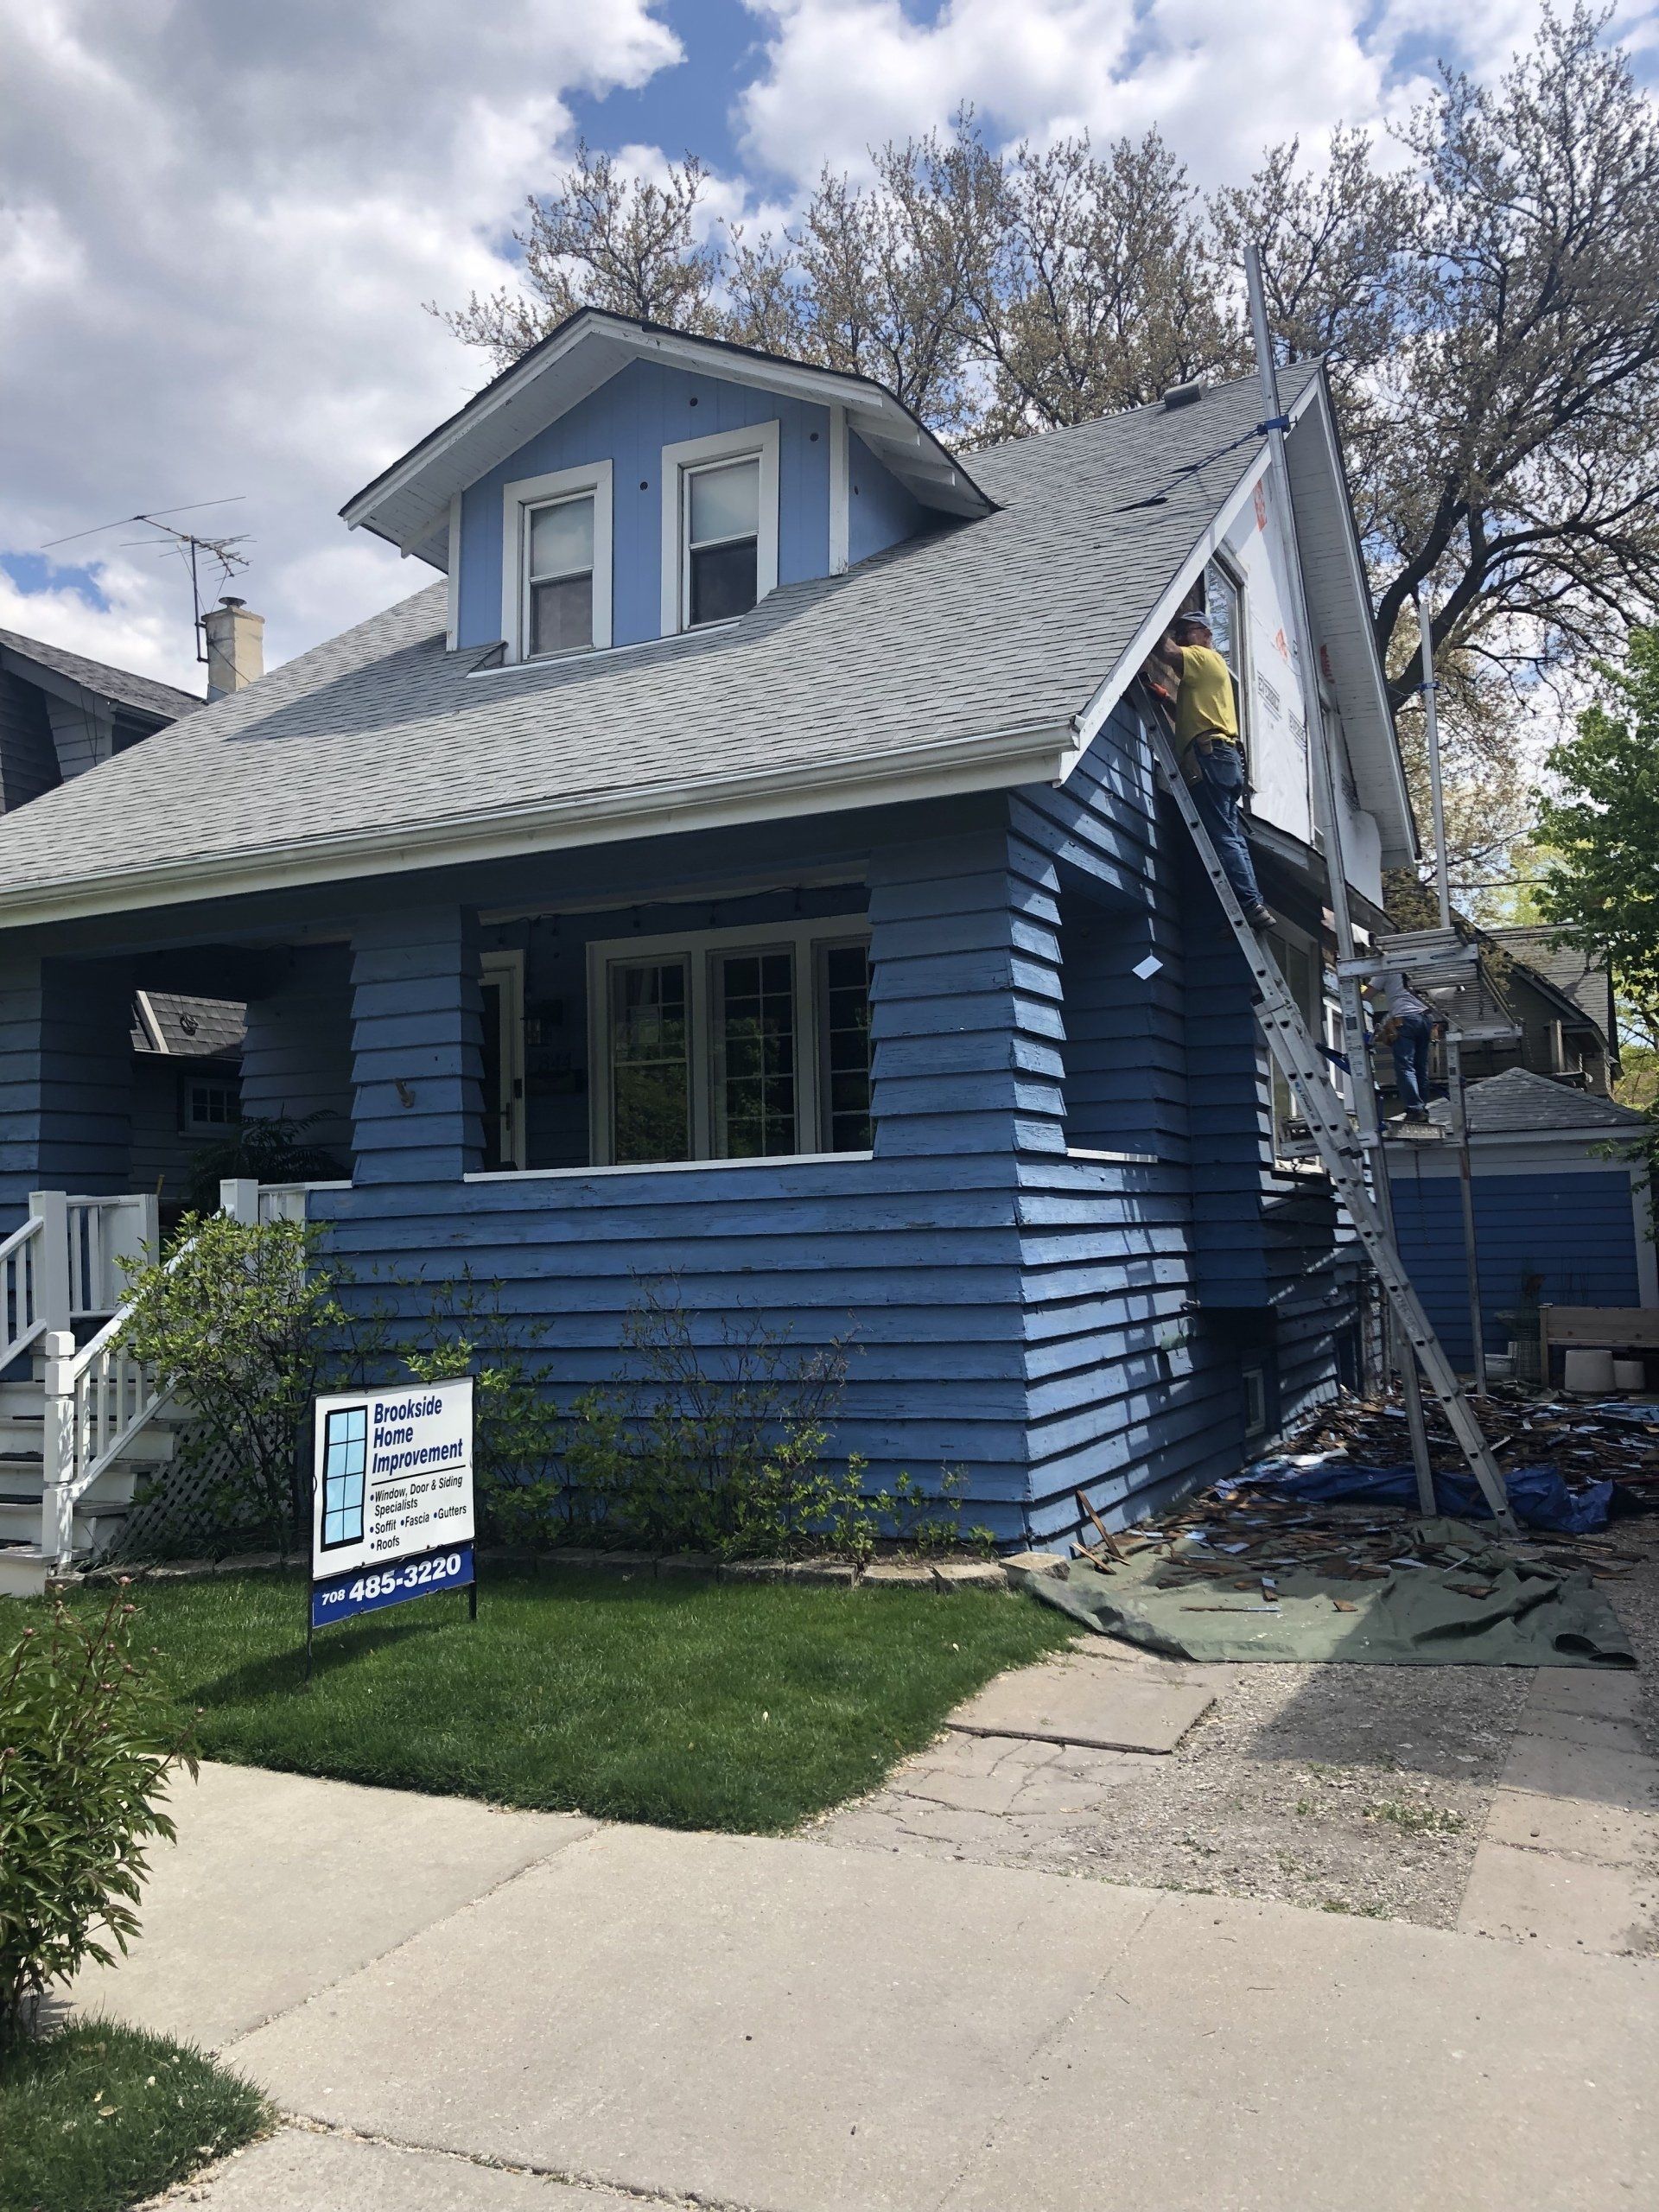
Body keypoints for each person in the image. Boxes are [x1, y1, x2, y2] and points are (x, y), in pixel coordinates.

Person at [1155, 615, 1275, 928]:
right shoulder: (1201, 679)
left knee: (1221, 834)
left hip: (1211, 757)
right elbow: (1190, 718)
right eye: (1178, 635)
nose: (1181, 640)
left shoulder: (1205, 657)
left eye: (1186, 633)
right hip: (1223, 758)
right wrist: (1165, 699)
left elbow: (1167, 652)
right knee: (1231, 834)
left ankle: (1249, 904)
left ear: (1206, 635)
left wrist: (1147, 616)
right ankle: (1254, 904)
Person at [1370, 969, 1440, 1122]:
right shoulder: (1416, 966)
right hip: (1426, 1020)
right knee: (1420, 1068)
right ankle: (1421, 1109)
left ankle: (1415, 1108)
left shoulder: (1386, 967)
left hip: (1405, 1020)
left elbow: (1367, 994)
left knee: (1405, 1066)